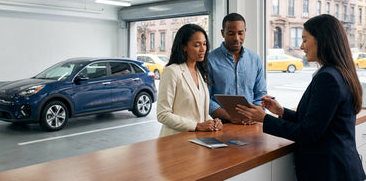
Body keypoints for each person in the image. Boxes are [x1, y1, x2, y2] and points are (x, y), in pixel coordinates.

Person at [236, 14, 366, 181]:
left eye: (305, 40)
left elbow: (308, 133)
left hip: (331, 172)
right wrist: (281, 111)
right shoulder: (339, 72)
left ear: (323, 41)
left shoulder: (328, 78)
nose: (301, 46)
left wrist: (264, 119)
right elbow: (315, 122)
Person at [157, 24, 223, 137]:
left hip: (196, 140)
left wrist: (213, 122)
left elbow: (199, 111)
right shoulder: (172, 72)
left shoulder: (200, 71)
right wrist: (196, 126)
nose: (203, 49)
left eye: (204, 44)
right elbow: (163, 114)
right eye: (197, 45)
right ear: (184, 47)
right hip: (174, 141)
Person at [208, 13, 267, 123]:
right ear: (222, 33)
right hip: (221, 123)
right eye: (231, 33)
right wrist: (229, 116)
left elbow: (261, 93)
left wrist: (256, 114)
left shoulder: (255, 59)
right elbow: (205, 98)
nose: (236, 38)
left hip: (251, 123)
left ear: (245, 32)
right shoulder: (209, 60)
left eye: (240, 33)